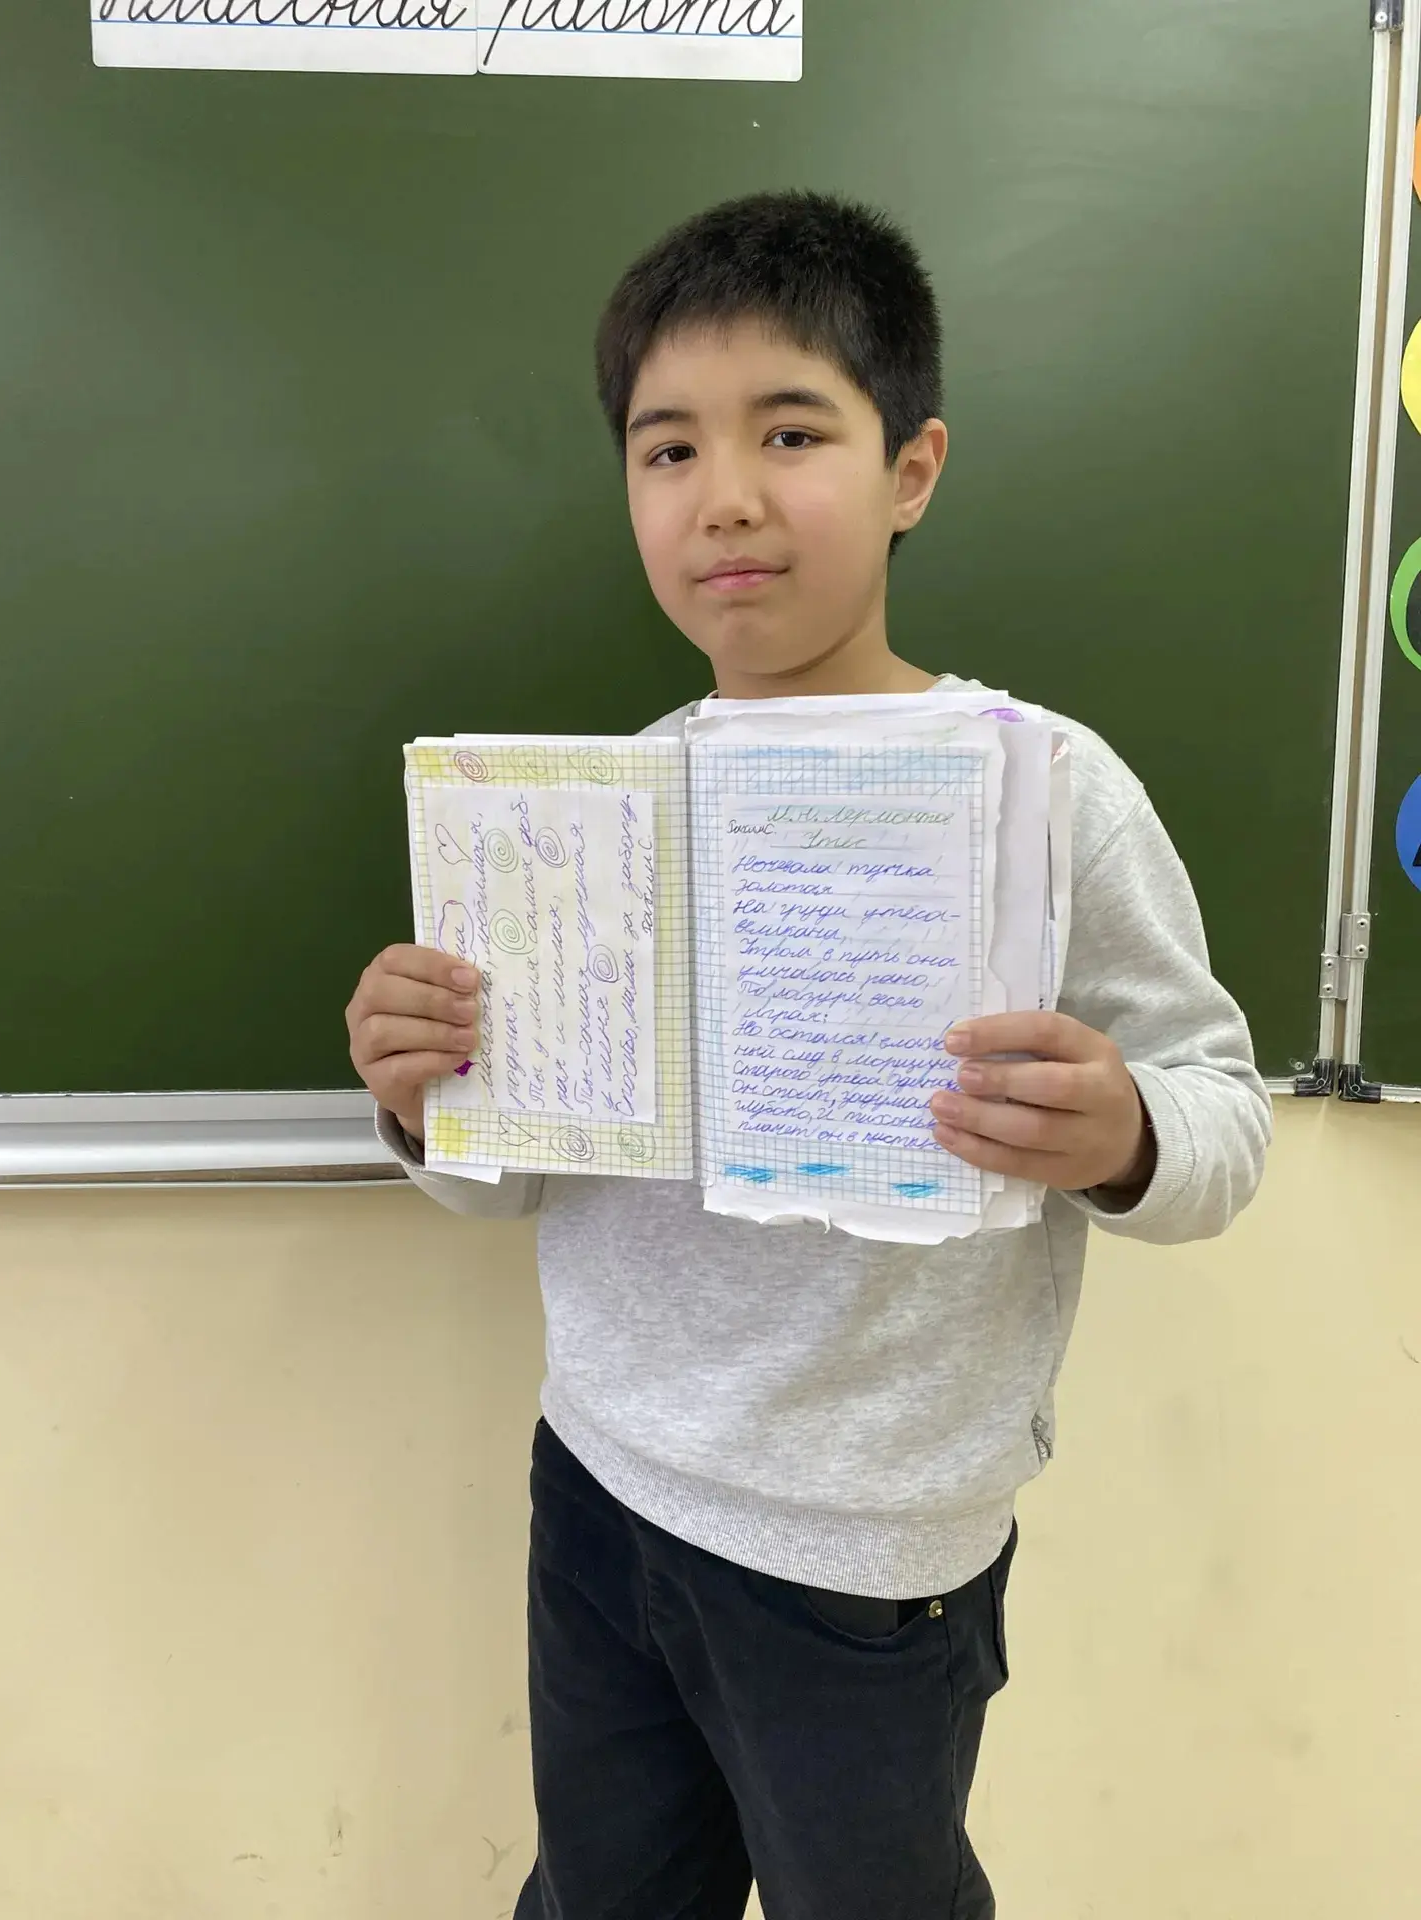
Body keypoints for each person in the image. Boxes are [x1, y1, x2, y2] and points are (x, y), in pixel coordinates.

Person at [344, 192, 1271, 1920]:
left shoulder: (1044, 788)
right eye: (668, 449)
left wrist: (1127, 1130)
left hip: (865, 1556)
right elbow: (519, 1178)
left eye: (790, 432)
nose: (726, 496)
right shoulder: (598, 812)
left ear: (912, 468)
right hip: (601, 1484)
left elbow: (1225, 1120)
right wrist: (426, 1107)